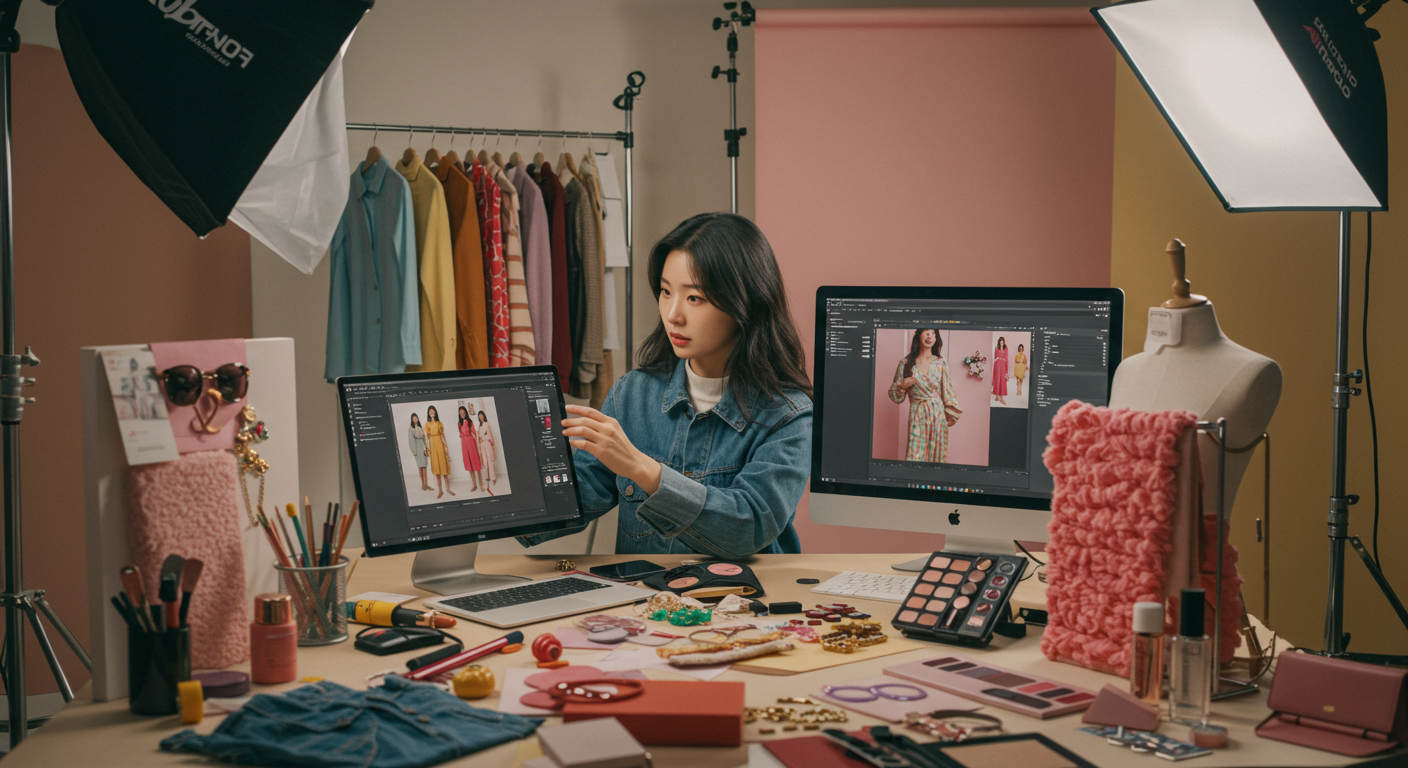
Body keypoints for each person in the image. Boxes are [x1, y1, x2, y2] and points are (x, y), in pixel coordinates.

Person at [520, 212, 813, 557]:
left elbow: (746, 527)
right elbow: (575, 499)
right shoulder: (632, 395)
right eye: (665, 291)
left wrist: (641, 468)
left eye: (694, 298)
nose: (673, 314)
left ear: (744, 302)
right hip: (644, 605)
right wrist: (498, 489)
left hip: (744, 603)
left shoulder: (789, 416)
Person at [888, 328, 962, 462]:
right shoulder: (906, 363)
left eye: (933, 333)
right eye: (927, 332)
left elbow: (948, 391)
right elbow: (895, 396)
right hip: (917, 414)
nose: (930, 336)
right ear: (918, 335)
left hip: (937, 416)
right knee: (915, 456)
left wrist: (949, 414)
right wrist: (901, 386)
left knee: (937, 456)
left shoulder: (941, 362)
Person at [424, 406, 455, 498]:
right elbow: (426, 438)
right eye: (430, 411)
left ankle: (448, 489)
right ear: (428, 413)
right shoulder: (427, 424)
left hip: (440, 444)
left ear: (435, 412)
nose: (432, 412)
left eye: (433, 411)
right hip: (433, 447)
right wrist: (427, 449)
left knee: (443, 467)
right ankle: (440, 491)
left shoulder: (439, 423)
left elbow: (443, 435)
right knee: (437, 469)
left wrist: (446, 447)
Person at [458, 405, 483, 492]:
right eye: (460, 412)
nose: (462, 413)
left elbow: (474, 433)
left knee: (475, 463)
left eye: (463, 412)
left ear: (465, 413)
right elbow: (460, 434)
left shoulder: (469, 421)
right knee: (469, 464)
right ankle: (474, 485)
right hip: (464, 444)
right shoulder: (459, 423)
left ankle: (481, 484)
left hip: (471, 443)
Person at [407, 413, 431, 491]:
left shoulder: (421, 428)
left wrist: (427, 447)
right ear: (412, 419)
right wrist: (414, 451)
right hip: (417, 447)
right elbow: (411, 440)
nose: (415, 419)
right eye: (413, 418)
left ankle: (426, 484)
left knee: (424, 466)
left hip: (423, 446)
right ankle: (423, 484)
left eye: (416, 418)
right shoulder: (411, 429)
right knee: (420, 466)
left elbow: (424, 437)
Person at [477, 410, 497, 493]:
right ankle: (487, 476)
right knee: (485, 461)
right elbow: (479, 436)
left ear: (484, 416)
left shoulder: (487, 424)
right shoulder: (479, 426)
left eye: (482, 416)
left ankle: (493, 478)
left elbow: (489, 435)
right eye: (479, 416)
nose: (481, 417)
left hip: (487, 443)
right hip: (482, 445)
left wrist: (483, 438)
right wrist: (480, 439)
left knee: (490, 460)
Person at [991, 336, 1009, 405]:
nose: (1001, 344)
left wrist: (1006, 367)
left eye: (1002, 343)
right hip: (997, 365)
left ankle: (1001, 397)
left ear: (1004, 343)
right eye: (1000, 343)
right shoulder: (996, 348)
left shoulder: (1006, 349)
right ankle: (996, 395)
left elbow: (1006, 358)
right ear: (998, 342)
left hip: (1003, 365)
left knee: (1002, 380)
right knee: (997, 379)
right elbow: (995, 357)